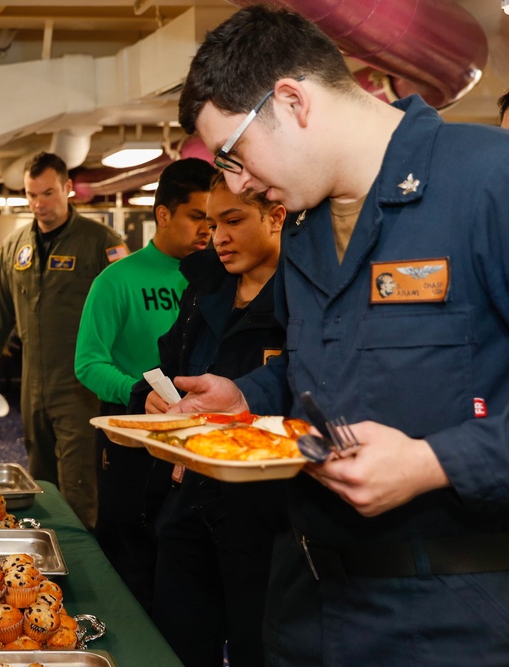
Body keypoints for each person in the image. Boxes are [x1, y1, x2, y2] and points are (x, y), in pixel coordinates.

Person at [173, 5, 509, 665]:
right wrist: (243, 396)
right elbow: (319, 369)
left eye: (235, 155)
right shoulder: (304, 224)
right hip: (305, 601)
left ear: (293, 101)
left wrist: (432, 462)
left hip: (453, 616)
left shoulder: (488, 183)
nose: (236, 182)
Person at [130, 177, 287, 666]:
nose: (217, 236)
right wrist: (151, 399)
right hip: (187, 498)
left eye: (234, 221)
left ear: (276, 217)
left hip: (265, 512)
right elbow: (167, 368)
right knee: (178, 643)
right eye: (212, 223)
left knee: (256, 647)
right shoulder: (204, 291)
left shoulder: (307, 303)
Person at [73, 157, 215, 609]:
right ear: (163, 214)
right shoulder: (117, 280)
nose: (207, 231)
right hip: (134, 444)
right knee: (131, 568)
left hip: (202, 443)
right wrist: (140, 395)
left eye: (213, 220)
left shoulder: (222, 278)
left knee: (189, 574)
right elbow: (88, 364)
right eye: (197, 217)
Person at [0, 152, 127, 529]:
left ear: (68, 189)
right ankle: (44, 547)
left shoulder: (101, 242)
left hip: (81, 384)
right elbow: (0, 310)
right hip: (32, 380)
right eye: (32, 195)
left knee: (77, 477)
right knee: (38, 476)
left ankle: (84, 560)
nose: (40, 204)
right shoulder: (15, 246)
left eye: (49, 193)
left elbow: (127, 310)